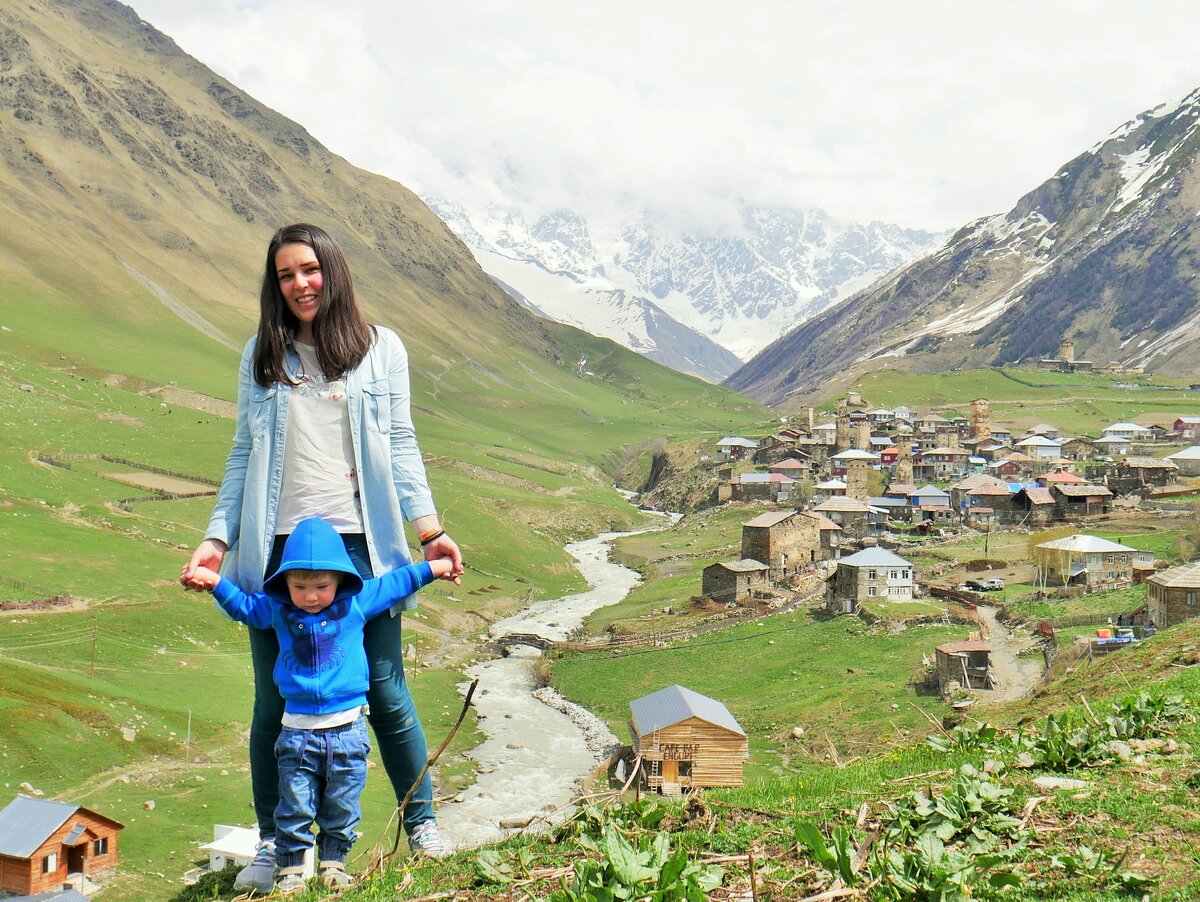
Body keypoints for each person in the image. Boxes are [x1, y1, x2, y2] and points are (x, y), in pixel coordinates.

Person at [180, 223, 463, 892]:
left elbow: (400, 445)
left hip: (361, 546)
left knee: (387, 690)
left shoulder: (380, 349)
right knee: (273, 702)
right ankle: (275, 846)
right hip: (277, 551)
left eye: (309, 269)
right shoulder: (263, 353)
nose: (299, 283)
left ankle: (422, 824)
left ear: (333, 271)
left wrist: (428, 531)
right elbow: (244, 454)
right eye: (285, 275)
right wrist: (216, 540)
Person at [188, 517, 459, 893]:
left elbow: (397, 583)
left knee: (342, 806)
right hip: (297, 734)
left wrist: (437, 567)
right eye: (299, 586)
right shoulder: (277, 610)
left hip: (348, 733)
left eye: (321, 586)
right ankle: (290, 872)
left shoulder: (357, 603)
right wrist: (216, 582)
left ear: (341, 580)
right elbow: (245, 608)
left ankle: (334, 865)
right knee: (294, 805)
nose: (311, 596)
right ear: (284, 582)